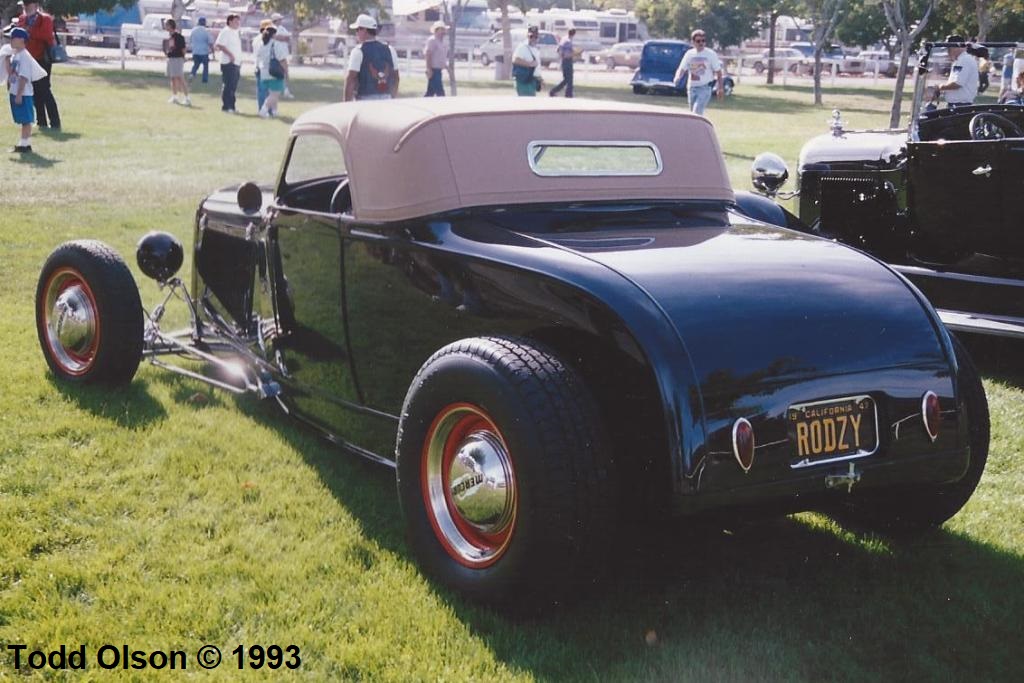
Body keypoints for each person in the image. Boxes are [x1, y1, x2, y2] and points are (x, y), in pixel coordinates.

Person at [16, 0, 59, 129]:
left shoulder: (45, 19)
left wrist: (28, 32)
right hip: (28, 59)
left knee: (45, 90)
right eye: (24, 5)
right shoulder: (22, 19)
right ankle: (41, 121)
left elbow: (46, 36)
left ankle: (55, 122)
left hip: (42, 59)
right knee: (34, 92)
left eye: (27, 5)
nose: (25, 7)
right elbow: (19, 34)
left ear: (35, 5)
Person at [2, 26, 46, 152]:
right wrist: (6, 61)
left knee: (26, 120)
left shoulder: (25, 56)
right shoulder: (15, 55)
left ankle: (25, 145)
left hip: (23, 93)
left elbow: (24, 77)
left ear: (21, 40)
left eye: (13, 38)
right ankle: (22, 144)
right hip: (15, 92)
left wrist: (19, 94)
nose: (10, 40)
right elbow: (12, 73)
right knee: (21, 119)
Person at [344, 14, 399, 102]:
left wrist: (346, 103)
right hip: (386, 99)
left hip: (364, 99)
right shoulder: (390, 49)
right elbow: (396, 77)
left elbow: (351, 79)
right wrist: (392, 97)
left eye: (357, 29)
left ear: (364, 30)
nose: (356, 33)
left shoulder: (358, 51)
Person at [673, 29, 724, 116]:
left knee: (696, 112)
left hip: (704, 88)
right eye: (698, 41)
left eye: (703, 41)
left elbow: (718, 72)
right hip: (691, 88)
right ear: (693, 42)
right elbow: (682, 68)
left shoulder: (710, 54)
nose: (701, 43)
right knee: (693, 114)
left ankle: (699, 129)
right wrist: (677, 77)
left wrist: (720, 88)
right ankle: (697, 129)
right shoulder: (689, 54)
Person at [930, 35, 978, 107]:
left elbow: (957, 84)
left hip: (960, 106)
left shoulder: (964, 60)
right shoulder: (960, 60)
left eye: (948, 48)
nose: (947, 51)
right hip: (957, 105)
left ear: (956, 47)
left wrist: (940, 87)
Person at [257, 25, 288, 118]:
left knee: (272, 93)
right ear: (274, 34)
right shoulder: (275, 44)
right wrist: (286, 70)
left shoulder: (262, 45)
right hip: (275, 72)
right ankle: (264, 110)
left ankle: (274, 111)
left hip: (264, 72)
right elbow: (282, 59)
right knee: (275, 94)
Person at [214, 13, 242, 113]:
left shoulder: (236, 32)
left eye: (238, 21)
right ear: (230, 21)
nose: (238, 23)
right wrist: (230, 55)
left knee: (233, 86)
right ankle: (226, 106)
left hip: (237, 63)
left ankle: (232, 106)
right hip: (228, 62)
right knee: (228, 85)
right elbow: (219, 45)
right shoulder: (226, 31)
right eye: (235, 21)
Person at [163, 18, 190, 106]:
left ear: (170, 26)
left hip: (177, 59)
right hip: (171, 58)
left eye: (166, 24)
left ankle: (187, 98)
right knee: (172, 78)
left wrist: (183, 57)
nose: (165, 26)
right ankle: (174, 96)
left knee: (180, 78)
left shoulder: (179, 36)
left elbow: (184, 49)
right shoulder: (170, 36)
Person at [511, 25, 542, 97]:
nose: (533, 38)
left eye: (535, 37)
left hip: (532, 80)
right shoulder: (523, 47)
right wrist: (529, 64)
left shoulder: (535, 49)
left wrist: (540, 78)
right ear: (527, 36)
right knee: (525, 103)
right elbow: (515, 60)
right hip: (523, 80)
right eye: (531, 36)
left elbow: (537, 66)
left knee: (531, 104)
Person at [270, 12, 294, 99]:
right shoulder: (272, 28)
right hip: (276, 54)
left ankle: (285, 90)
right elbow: (275, 36)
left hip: (283, 53)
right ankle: (280, 90)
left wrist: (280, 37)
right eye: (280, 19)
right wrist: (280, 37)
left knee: (285, 72)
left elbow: (287, 38)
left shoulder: (282, 28)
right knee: (280, 73)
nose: (281, 21)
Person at [253, 19, 273, 112]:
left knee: (262, 89)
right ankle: (264, 109)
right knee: (265, 90)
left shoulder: (256, 39)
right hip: (264, 67)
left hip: (258, 66)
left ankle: (264, 108)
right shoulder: (263, 40)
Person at [423, 20, 447, 97]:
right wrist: (428, 69)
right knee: (440, 93)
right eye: (442, 29)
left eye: (444, 29)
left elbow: (441, 57)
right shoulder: (432, 40)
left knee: (430, 93)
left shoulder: (441, 42)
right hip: (433, 70)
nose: (443, 32)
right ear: (436, 30)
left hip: (438, 70)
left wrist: (447, 67)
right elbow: (428, 54)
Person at [549, 28, 575, 97]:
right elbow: (566, 54)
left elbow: (559, 50)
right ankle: (568, 94)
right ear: (574, 34)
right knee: (569, 79)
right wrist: (575, 53)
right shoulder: (568, 42)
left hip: (563, 61)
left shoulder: (563, 39)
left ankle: (554, 91)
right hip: (567, 61)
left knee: (566, 79)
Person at [188, 16, 211, 84]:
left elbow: (190, 40)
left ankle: (192, 74)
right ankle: (205, 79)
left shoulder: (194, 30)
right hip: (204, 52)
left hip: (195, 51)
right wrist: (212, 51)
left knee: (196, 64)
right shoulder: (206, 31)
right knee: (205, 66)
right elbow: (210, 42)